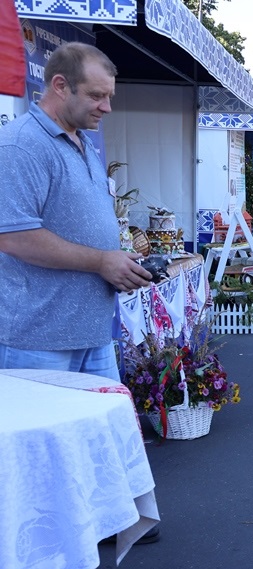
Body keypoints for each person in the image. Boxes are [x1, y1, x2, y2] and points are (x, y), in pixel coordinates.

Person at [0, 42, 151, 382]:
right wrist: (102, 261)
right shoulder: (20, 145)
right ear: (60, 86)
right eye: (97, 95)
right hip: (37, 341)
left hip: (92, 336)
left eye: (109, 96)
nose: (107, 107)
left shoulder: (81, 141)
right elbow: (14, 238)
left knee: (97, 435)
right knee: (40, 435)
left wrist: (119, 261)